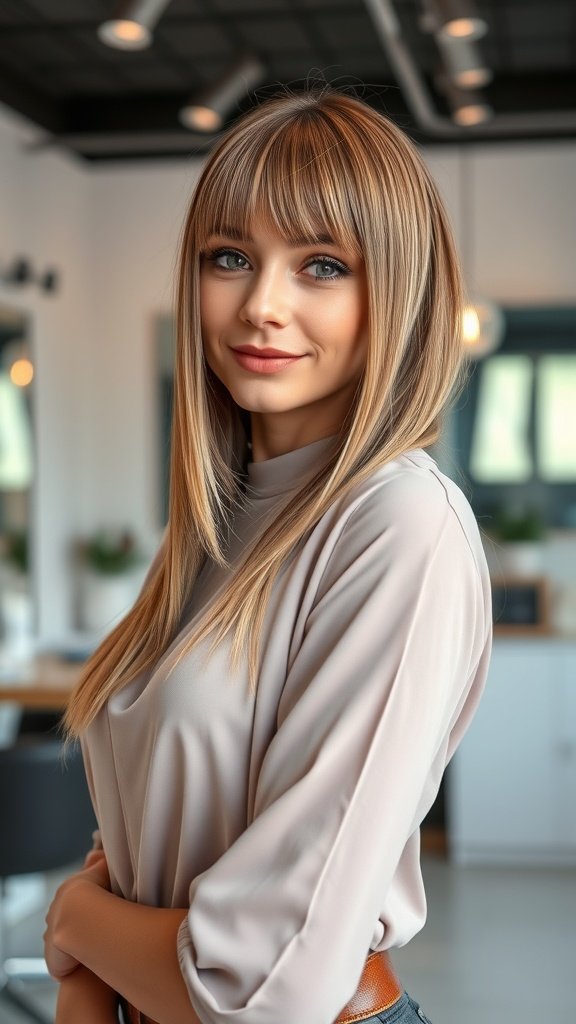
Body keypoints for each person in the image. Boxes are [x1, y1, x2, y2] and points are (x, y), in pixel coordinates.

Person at [44, 88, 492, 1024]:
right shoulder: (219, 521)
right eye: (230, 257)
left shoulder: (401, 525)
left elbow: (262, 992)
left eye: (323, 265)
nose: (261, 306)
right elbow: (152, 830)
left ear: (395, 294)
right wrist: (88, 968)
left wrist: (77, 921)